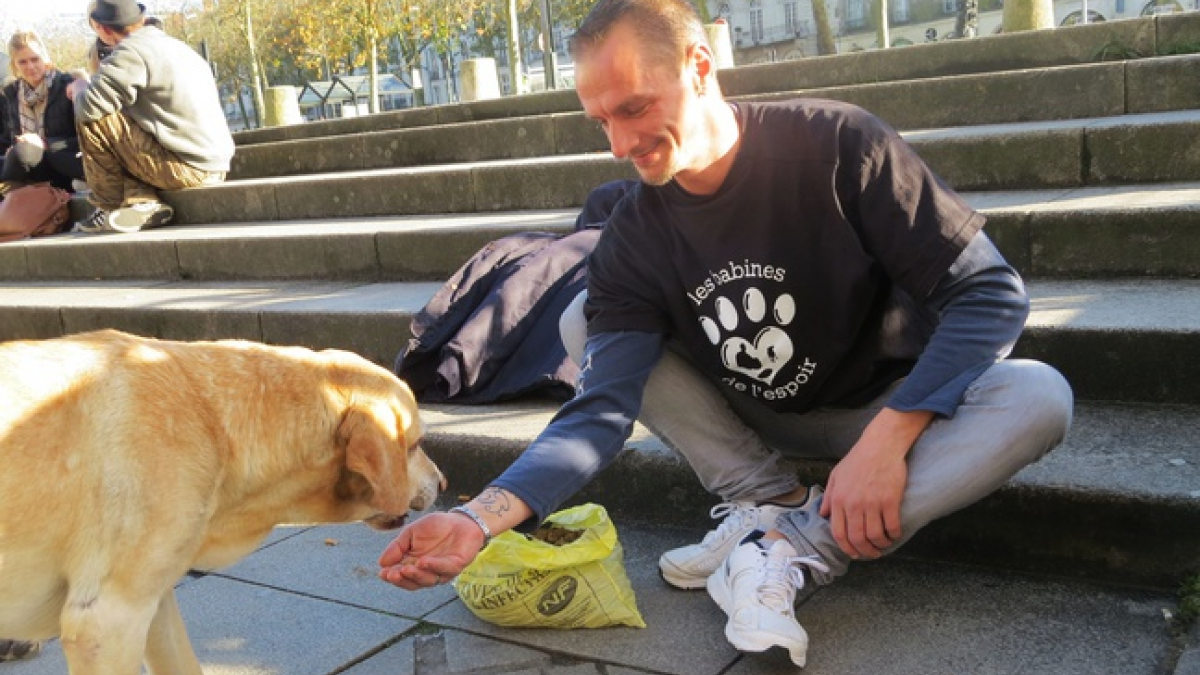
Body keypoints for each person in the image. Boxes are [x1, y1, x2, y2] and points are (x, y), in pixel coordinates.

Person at [378, 0, 1074, 666]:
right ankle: (770, 501)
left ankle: (792, 542)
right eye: (601, 122)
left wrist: (889, 439)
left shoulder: (838, 144)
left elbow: (989, 292)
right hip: (763, 416)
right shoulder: (633, 235)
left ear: (700, 66)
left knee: (1039, 395)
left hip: (889, 400)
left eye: (635, 107)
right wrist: (477, 520)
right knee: (580, 313)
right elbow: (597, 414)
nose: (621, 145)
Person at [67, 0, 233, 233]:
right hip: (215, 163)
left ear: (102, 29)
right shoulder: (176, 46)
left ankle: (109, 206)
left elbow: (89, 107)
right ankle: (141, 201)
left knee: (93, 115)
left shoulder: (131, 51)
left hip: (186, 168)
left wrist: (79, 87)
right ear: (141, 18)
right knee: (115, 114)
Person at [1, 31, 86, 197]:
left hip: (60, 161)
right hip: (23, 163)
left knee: (24, 152)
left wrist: (43, 143)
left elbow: (84, 138)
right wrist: (10, 147)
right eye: (23, 62)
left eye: (35, 59)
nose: (30, 67)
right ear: (14, 65)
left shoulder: (66, 86)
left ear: (44, 58)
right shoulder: (10, 94)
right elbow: (7, 137)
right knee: (19, 153)